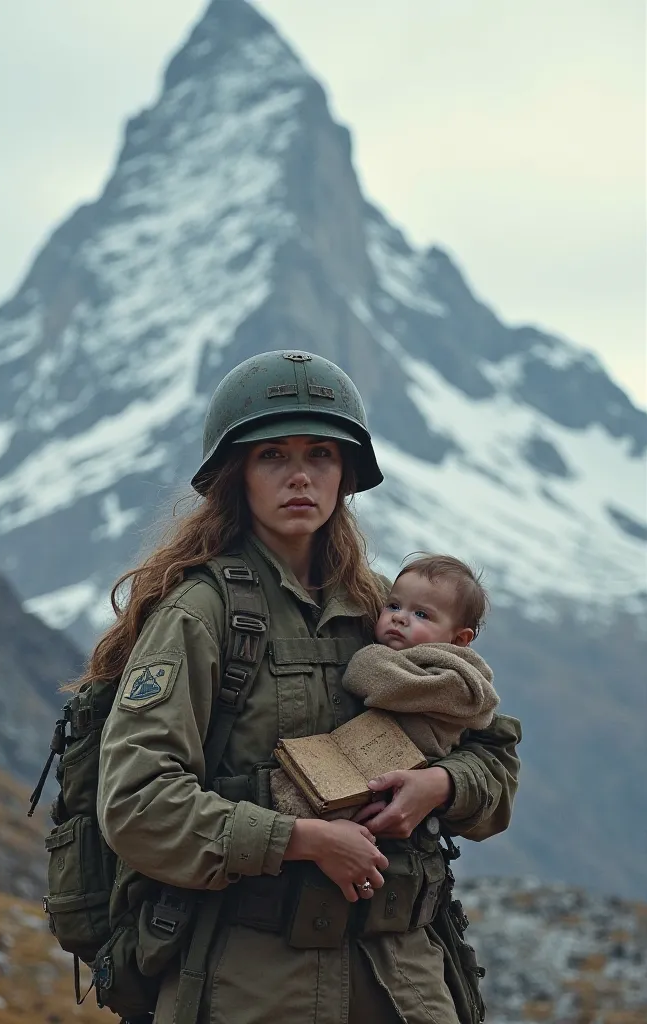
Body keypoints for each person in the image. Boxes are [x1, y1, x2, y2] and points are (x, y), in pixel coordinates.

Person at [93, 350, 521, 1024]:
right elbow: (137, 806)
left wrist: (440, 787)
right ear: (239, 474)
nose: (300, 475)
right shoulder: (199, 617)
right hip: (251, 983)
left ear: (346, 474)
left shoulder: (390, 616)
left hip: (402, 983)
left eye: (321, 454)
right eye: (273, 456)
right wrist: (301, 839)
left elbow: (494, 761)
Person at [342, 554, 500, 760]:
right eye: (394, 606)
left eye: (421, 615)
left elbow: (360, 672)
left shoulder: (452, 680)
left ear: (459, 639)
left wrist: (373, 656)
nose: (399, 617)